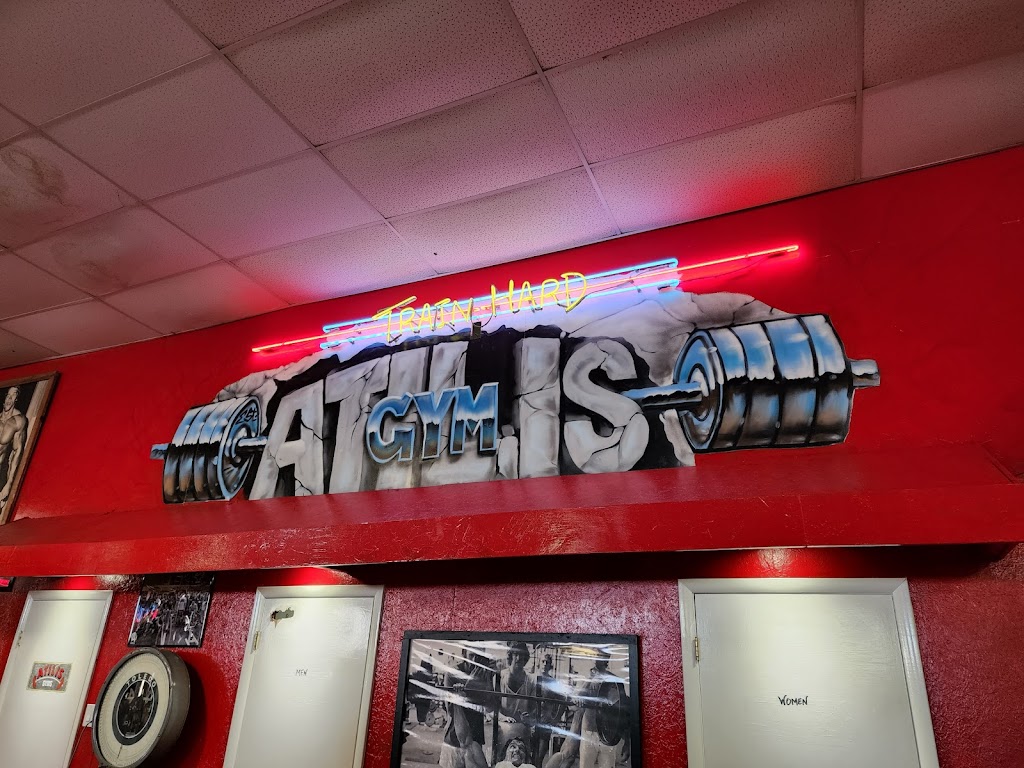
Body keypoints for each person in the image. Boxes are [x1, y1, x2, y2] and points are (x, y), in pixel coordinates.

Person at [441, 647, 493, 768]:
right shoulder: (452, 673)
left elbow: (489, 708)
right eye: (471, 655)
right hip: (454, 737)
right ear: (464, 654)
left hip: (476, 737)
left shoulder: (484, 673)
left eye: (478, 656)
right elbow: (450, 711)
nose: (475, 660)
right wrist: (470, 686)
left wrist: (488, 682)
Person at [0, 386, 28, 510]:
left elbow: (18, 452)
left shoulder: (18, 421)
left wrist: (10, 483)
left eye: (13, 395)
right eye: (8, 395)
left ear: (17, 398)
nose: (9, 398)